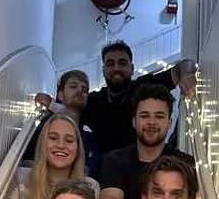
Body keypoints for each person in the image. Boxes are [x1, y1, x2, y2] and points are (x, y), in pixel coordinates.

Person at [38, 41, 198, 157]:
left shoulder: (142, 86)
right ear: (103, 70)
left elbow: (184, 65)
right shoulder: (94, 100)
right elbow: (71, 112)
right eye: (110, 64)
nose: (116, 68)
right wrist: (49, 103)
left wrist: (187, 75)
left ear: (132, 68)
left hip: (143, 166)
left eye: (122, 63)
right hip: (105, 173)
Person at [99, 83, 194, 199]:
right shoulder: (115, 160)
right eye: (144, 116)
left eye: (159, 116)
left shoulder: (185, 164)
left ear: (169, 123)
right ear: (134, 121)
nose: (152, 122)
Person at [25, 70, 100, 178]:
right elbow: (30, 159)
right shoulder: (47, 125)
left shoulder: (89, 130)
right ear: (60, 94)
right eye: (73, 86)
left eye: (85, 90)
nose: (80, 91)